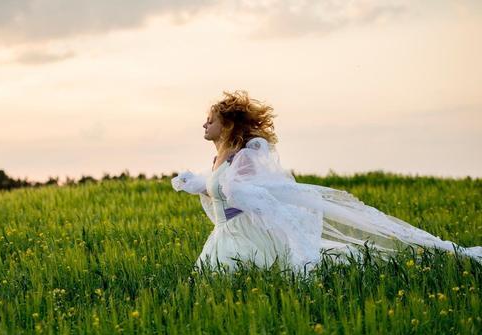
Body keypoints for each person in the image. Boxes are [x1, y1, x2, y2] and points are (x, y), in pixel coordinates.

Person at [171, 90, 482, 273]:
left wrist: (230, 191)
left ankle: (448, 256)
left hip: (245, 235)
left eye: (210, 120)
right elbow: (221, 192)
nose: (204, 123)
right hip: (224, 234)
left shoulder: (247, 154)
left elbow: (255, 196)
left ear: (226, 124)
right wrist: (195, 183)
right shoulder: (219, 157)